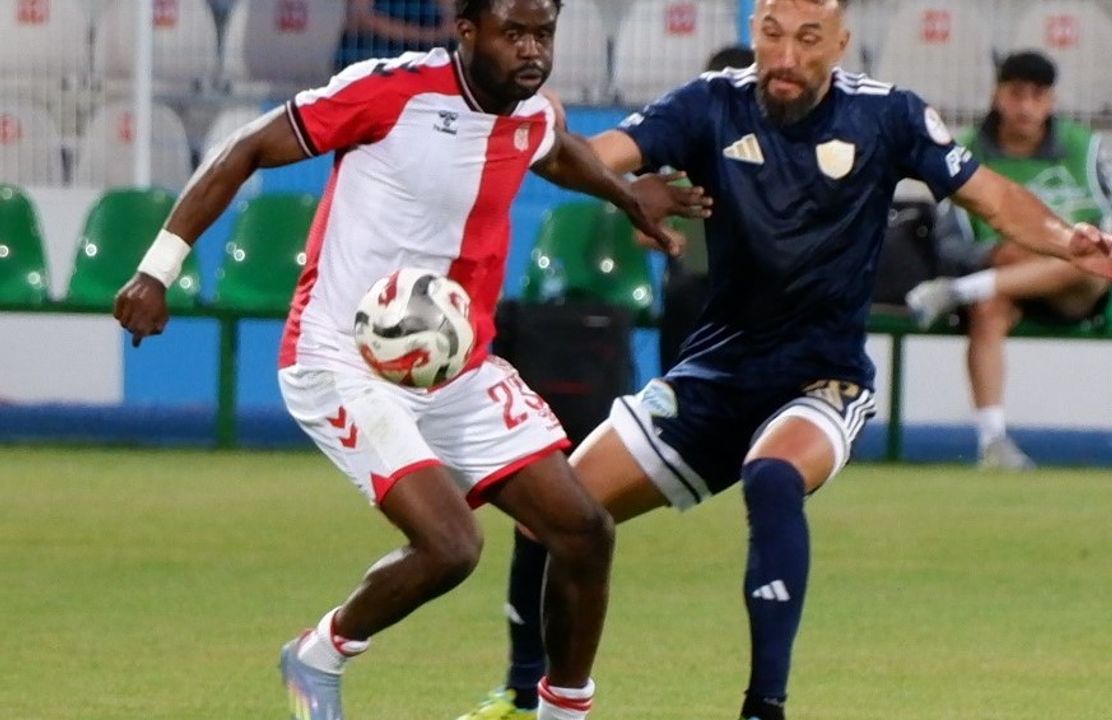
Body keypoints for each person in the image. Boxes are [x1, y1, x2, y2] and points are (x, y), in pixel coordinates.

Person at [456, 3, 1112, 720]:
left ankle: (764, 708)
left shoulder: (888, 116)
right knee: (552, 513)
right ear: (755, 33)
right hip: (715, 376)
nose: (785, 55)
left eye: (808, 39)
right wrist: (570, 149)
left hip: (822, 379)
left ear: (840, 44)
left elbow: (991, 195)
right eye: (772, 34)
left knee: (772, 477)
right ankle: (523, 693)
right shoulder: (709, 104)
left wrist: (1068, 239)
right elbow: (593, 155)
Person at [113, 1, 711, 718]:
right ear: (467, 31)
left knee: (583, 530)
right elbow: (245, 148)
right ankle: (319, 653)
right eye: (513, 34)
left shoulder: (527, 112)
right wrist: (157, 270)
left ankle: (562, 711)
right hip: (340, 358)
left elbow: (554, 148)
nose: (532, 50)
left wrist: (625, 194)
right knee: (451, 547)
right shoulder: (388, 91)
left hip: (457, 368)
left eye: (543, 34)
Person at [905, 51, 1112, 470]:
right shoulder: (963, 151)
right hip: (1001, 276)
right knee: (988, 309)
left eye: (1037, 96)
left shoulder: (1086, 149)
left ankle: (957, 292)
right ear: (998, 96)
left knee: (1087, 261)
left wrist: (1058, 246)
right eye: (1016, 94)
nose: (1026, 107)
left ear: (1051, 101)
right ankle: (992, 443)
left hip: (1075, 288)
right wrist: (994, 253)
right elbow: (948, 243)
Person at [657, 44, 754, 372]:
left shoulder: (774, 153)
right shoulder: (680, 150)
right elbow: (643, 233)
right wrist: (670, 237)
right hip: (690, 292)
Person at [336, 0, 457, 69]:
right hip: (371, 58)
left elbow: (453, 19)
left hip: (421, 62)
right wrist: (429, 35)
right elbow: (360, 18)